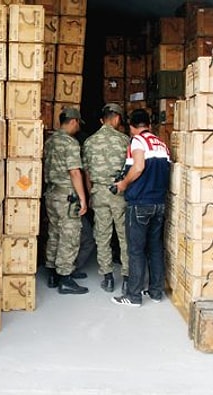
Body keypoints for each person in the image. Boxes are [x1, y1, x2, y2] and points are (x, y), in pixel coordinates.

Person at [111, 109, 171, 307]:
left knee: (135, 251)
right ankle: (155, 291)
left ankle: (134, 295)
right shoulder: (161, 144)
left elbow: (138, 167)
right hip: (159, 204)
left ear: (131, 127)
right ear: (150, 125)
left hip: (140, 204)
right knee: (154, 248)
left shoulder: (137, 141)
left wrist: (124, 184)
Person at [82, 103, 130, 293]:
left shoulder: (89, 142)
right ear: (117, 118)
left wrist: (90, 192)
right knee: (124, 236)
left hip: (98, 192)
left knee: (102, 236)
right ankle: (127, 279)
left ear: (103, 118)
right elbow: (131, 169)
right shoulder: (125, 140)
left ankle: (108, 278)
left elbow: (86, 173)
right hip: (118, 192)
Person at [43, 107, 89, 295]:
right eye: (78, 123)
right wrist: (83, 199)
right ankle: (65, 278)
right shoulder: (70, 143)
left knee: (54, 233)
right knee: (69, 235)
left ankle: (53, 273)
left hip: (52, 193)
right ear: (73, 121)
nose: (78, 127)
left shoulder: (50, 141)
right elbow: (75, 171)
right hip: (66, 196)